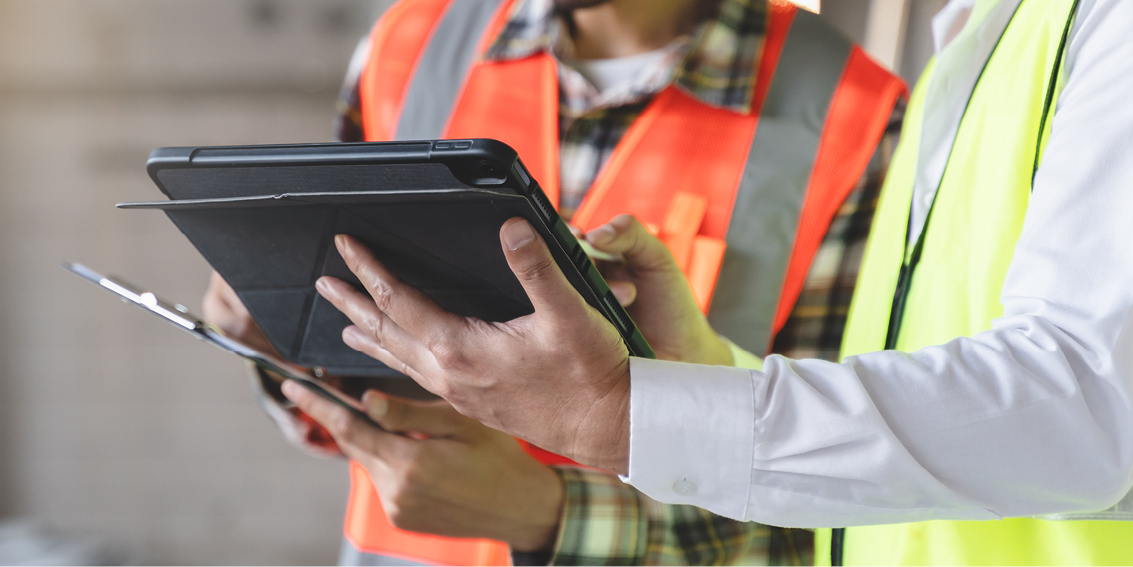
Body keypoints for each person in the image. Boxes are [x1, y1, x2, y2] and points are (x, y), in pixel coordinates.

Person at [288, 0, 1133, 564]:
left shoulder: (855, 107)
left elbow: (1089, 411)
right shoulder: (984, 38)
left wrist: (599, 450)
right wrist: (279, 334)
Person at [204, 0, 906, 564]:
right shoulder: (407, 47)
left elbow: (844, 499)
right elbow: (360, 367)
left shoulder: (854, 117)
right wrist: (287, 335)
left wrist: (549, 514)